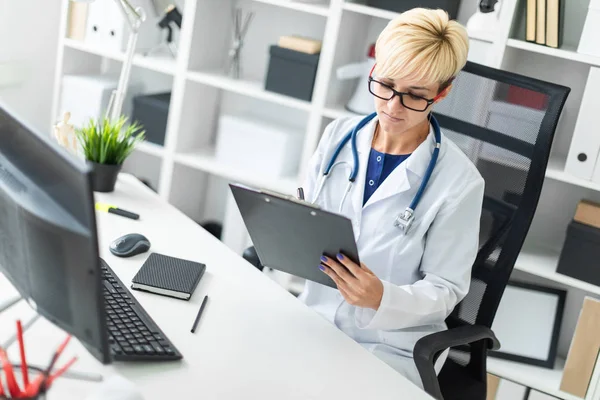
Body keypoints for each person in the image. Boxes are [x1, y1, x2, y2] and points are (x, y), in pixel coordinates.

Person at [297, 8, 485, 390]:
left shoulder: (460, 182)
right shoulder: (338, 137)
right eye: (384, 84)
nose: (392, 106)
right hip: (313, 320)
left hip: (389, 347)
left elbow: (446, 290)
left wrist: (383, 297)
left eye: (415, 95)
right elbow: (308, 215)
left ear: (442, 92)